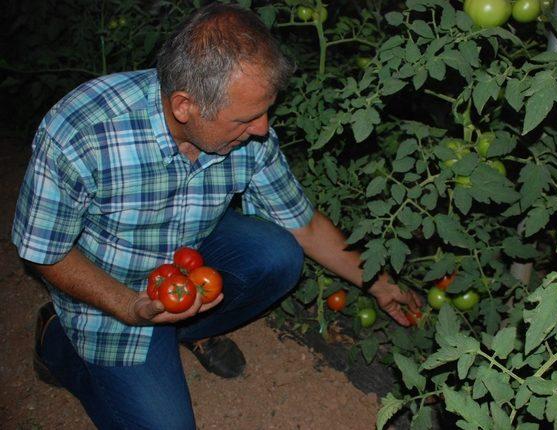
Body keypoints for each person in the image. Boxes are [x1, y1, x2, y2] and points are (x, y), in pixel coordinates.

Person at [12, 3, 422, 429]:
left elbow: (305, 225)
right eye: (247, 118)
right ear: (185, 105)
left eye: (265, 112)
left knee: (278, 255)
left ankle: (185, 331)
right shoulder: (83, 132)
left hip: (185, 254)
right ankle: (57, 343)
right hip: (113, 290)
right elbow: (44, 252)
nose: (263, 129)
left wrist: (379, 283)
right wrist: (129, 306)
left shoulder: (246, 135)